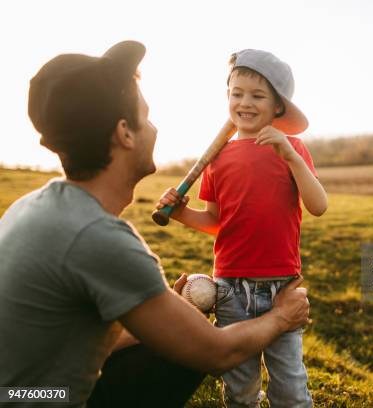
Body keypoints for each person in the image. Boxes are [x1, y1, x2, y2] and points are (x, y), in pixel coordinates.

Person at [0, 41, 310, 408]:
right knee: (184, 352)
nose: (155, 128)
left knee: (171, 337)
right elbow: (216, 353)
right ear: (124, 133)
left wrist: (176, 309)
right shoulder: (99, 238)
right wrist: (281, 317)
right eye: (146, 117)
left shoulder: (30, 208)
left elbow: (80, 334)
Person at [156, 49, 327, 407]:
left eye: (257, 95)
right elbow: (217, 223)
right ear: (227, 97)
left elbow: (318, 206)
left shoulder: (293, 149)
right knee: (240, 389)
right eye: (237, 93)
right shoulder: (219, 158)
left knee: (291, 388)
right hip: (230, 286)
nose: (244, 103)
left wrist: (291, 157)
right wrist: (181, 214)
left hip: (281, 286)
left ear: (278, 106)